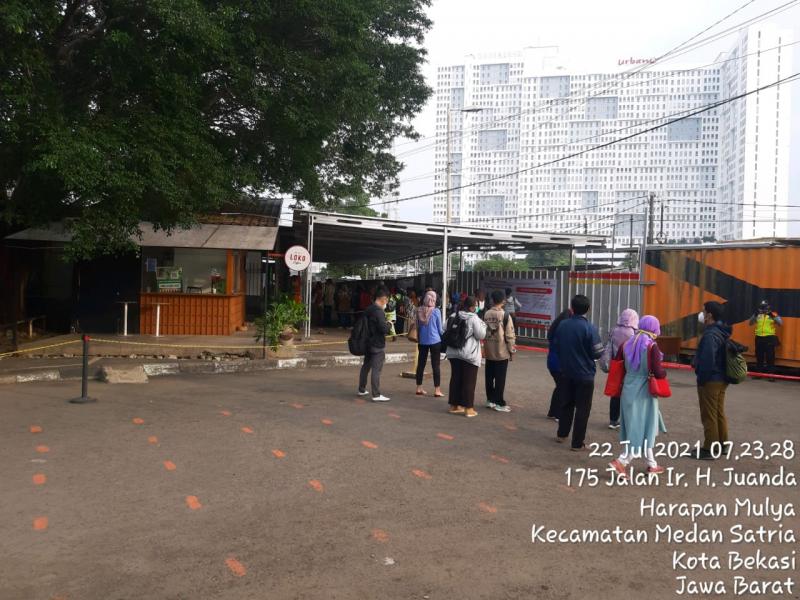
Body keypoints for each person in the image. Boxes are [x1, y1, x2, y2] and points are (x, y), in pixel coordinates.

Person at [608, 316, 668, 476]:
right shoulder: (652, 346)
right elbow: (658, 371)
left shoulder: (626, 343)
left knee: (639, 426)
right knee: (642, 427)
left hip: (628, 388)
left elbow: (619, 364)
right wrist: (664, 372)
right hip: (644, 391)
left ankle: (652, 464)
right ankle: (621, 461)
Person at [553, 294, 604, 451]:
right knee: (583, 409)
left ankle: (562, 434)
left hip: (566, 372)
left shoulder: (563, 325)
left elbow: (556, 345)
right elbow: (598, 352)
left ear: (572, 307)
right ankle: (577, 443)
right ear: (587, 309)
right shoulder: (590, 328)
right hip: (585, 374)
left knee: (566, 403)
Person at [693, 301, 732, 460]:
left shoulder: (710, 335)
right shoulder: (721, 332)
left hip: (711, 379)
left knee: (708, 415)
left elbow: (708, 359)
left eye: (704, 311)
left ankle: (709, 449)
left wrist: (701, 378)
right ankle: (722, 445)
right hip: (722, 378)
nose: (701, 313)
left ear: (709, 315)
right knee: (718, 413)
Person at [445, 296, 487, 417]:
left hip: (453, 352)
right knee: (469, 380)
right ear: (472, 307)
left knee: (455, 379)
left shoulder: (453, 315)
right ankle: (468, 408)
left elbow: (444, 328)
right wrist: (483, 326)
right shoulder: (474, 318)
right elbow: (480, 335)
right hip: (469, 353)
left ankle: (454, 406)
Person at [601, 309, 640, 430]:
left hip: (616, 366)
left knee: (615, 393)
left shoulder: (614, 330)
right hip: (629, 368)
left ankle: (613, 420)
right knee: (629, 393)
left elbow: (609, 348)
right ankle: (627, 421)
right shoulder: (634, 334)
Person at [483, 289, 517, 412]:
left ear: (492, 300)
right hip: (501, 352)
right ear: (503, 301)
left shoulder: (486, 314)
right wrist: (512, 351)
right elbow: (510, 336)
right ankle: (499, 402)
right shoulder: (505, 315)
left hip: (489, 351)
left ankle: (490, 400)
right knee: (500, 378)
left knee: (489, 377)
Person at [358, 287, 393, 402]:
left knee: (366, 366)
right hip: (377, 343)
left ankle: (361, 389)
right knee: (376, 369)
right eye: (386, 301)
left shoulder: (368, 309)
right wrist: (389, 325)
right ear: (384, 299)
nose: (386, 304)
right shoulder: (378, 312)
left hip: (367, 342)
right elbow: (383, 328)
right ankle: (376, 394)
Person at [415, 291, 445, 397]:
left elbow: (417, 327)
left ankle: (419, 388)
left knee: (421, 365)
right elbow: (440, 329)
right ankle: (437, 390)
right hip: (435, 341)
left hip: (422, 341)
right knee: (435, 366)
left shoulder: (418, 310)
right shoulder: (436, 311)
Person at [546, 308, 571, 420]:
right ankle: (558, 414)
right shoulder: (562, 333)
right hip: (559, 364)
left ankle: (552, 411)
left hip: (553, 363)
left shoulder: (555, 330)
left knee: (560, 387)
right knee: (563, 388)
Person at [749, 300, 782, 378]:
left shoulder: (773, 314)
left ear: (768, 307)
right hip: (759, 337)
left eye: (764, 307)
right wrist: (755, 315)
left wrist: (772, 315)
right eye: (762, 307)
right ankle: (758, 374)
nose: (763, 309)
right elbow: (750, 323)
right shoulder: (758, 314)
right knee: (759, 356)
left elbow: (780, 323)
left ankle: (771, 375)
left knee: (770, 357)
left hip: (769, 337)